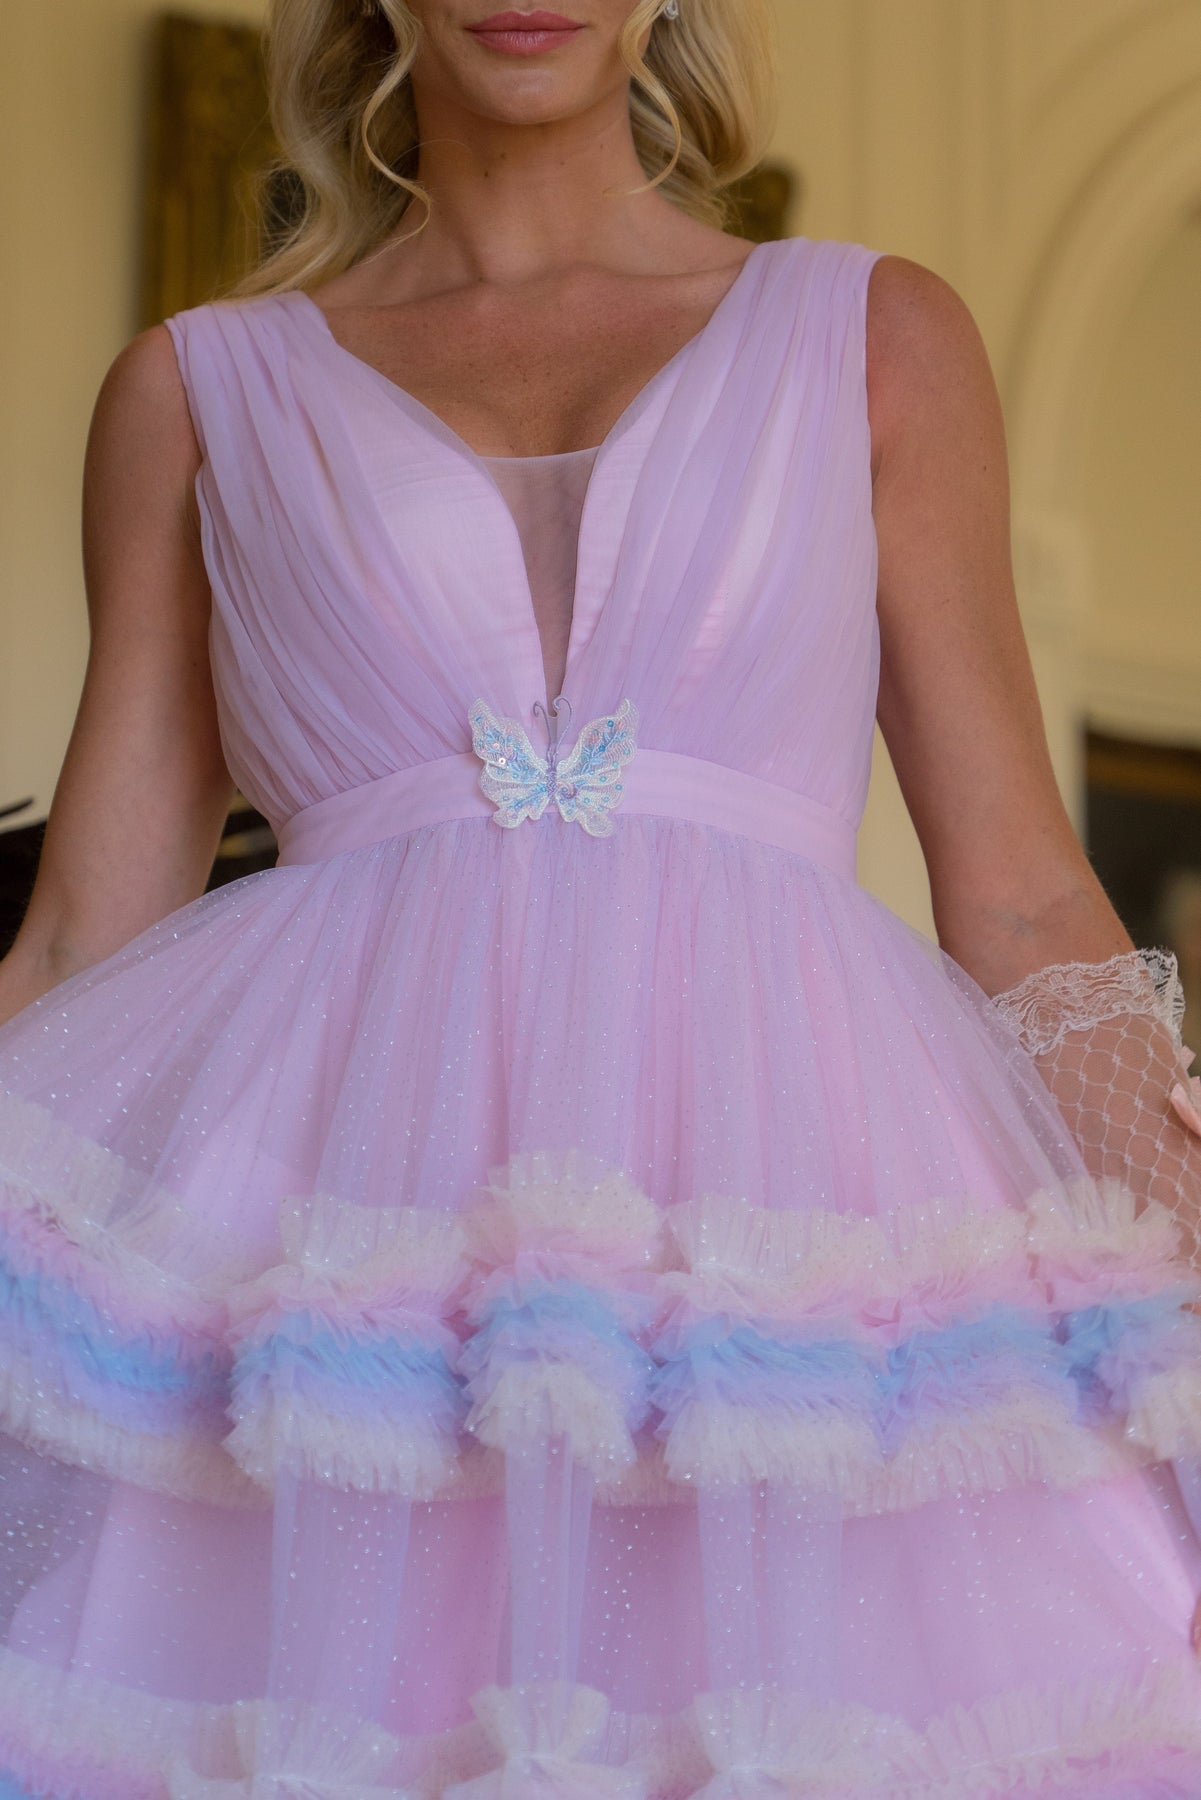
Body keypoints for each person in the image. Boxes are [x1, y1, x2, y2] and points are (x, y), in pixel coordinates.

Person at [0, 1, 1199, 1792]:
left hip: (789, 1246)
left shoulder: (875, 337)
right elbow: (89, 933)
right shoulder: (195, 392)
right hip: (348, 1296)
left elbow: (1022, 898)